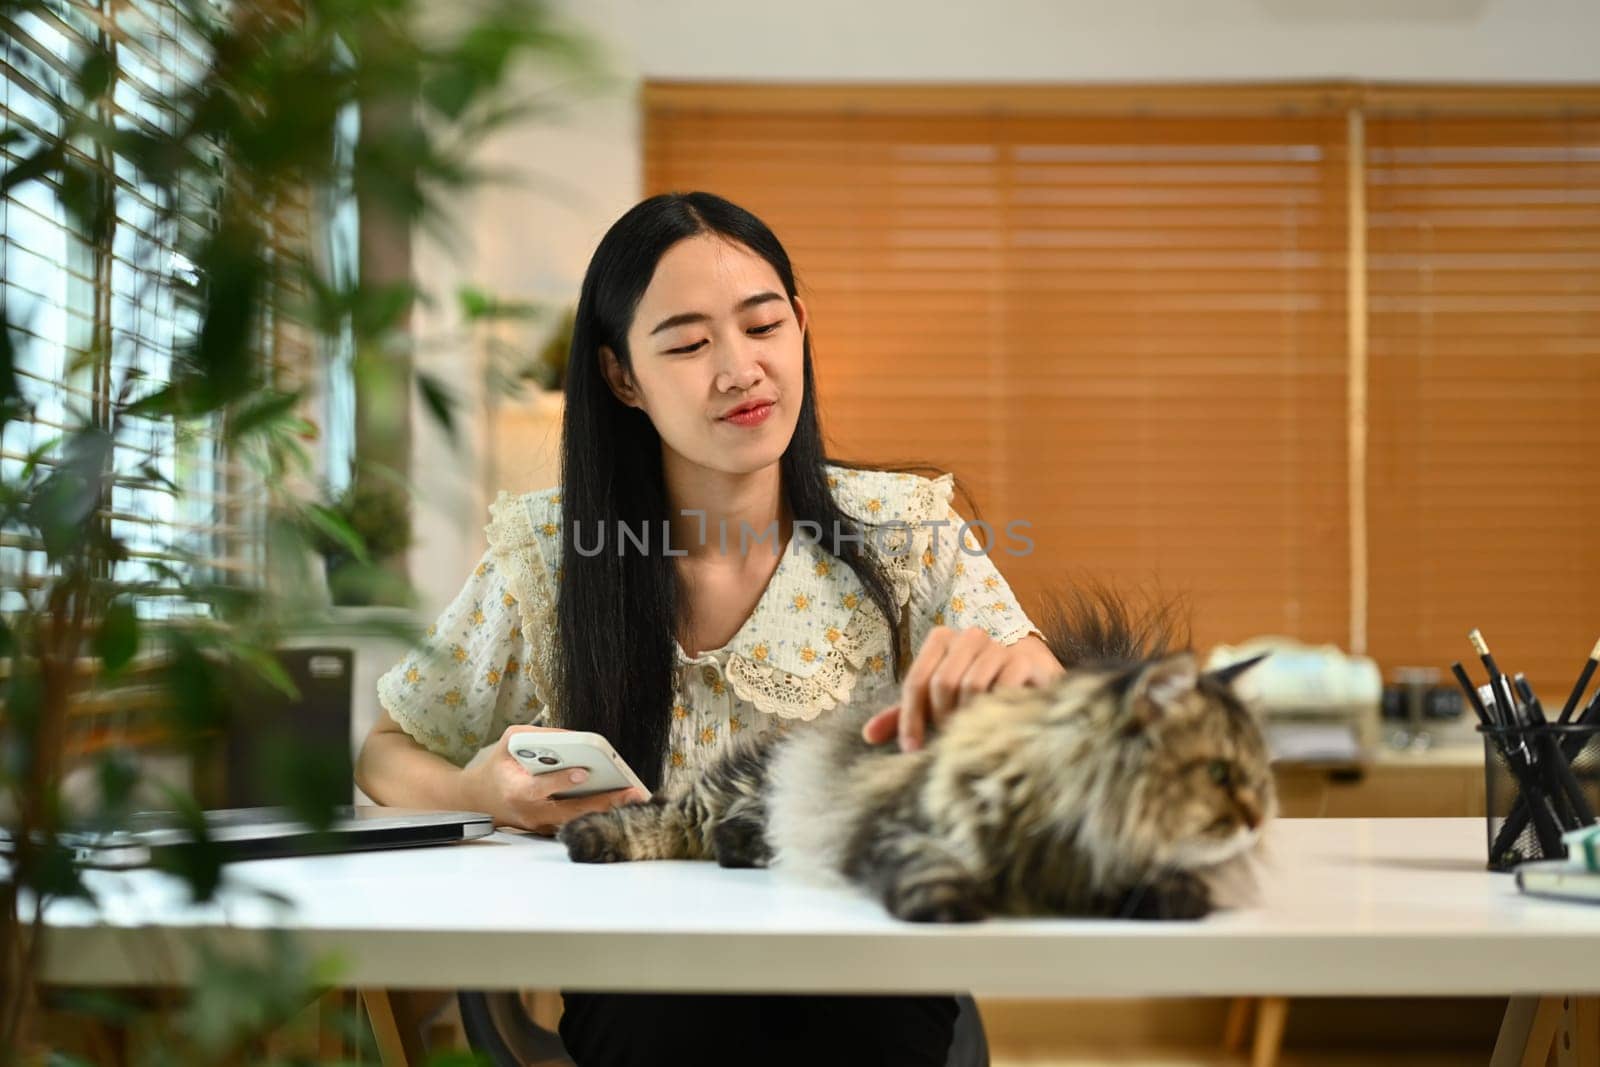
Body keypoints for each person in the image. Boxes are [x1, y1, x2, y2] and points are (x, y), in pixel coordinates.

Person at [355, 190, 1064, 1066]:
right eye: (689, 344)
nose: (739, 369)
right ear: (622, 377)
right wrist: (477, 790)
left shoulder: (904, 531)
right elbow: (386, 752)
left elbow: (1048, 692)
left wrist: (1011, 687)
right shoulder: (546, 555)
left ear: (800, 327)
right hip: (645, 979)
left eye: (763, 326)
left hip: (865, 965)